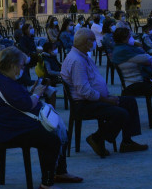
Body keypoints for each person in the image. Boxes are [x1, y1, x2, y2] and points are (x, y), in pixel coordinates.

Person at [0, 48, 82, 189]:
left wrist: (34, 90)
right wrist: (37, 93)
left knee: (59, 130)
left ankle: (59, 171)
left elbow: (20, 100)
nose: (23, 68)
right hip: (10, 129)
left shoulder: (4, 78)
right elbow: (27, 104)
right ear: (12, 65)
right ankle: (47, 183)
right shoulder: (4, 83)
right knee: (50, 139)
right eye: (22, 65)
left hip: (14, 122)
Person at [60, 29, 147, 158]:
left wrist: (108, 96)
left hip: (95, 99)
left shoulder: (84, 56)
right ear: (85, 42)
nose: (95, 42)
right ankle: (96, 138)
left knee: (129, 102)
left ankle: (127, 142)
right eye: (93, 40)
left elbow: (95, 81)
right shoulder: (76, 61)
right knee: (120, 113)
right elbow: (84, 91)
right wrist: (106, 100)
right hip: (84, 104)